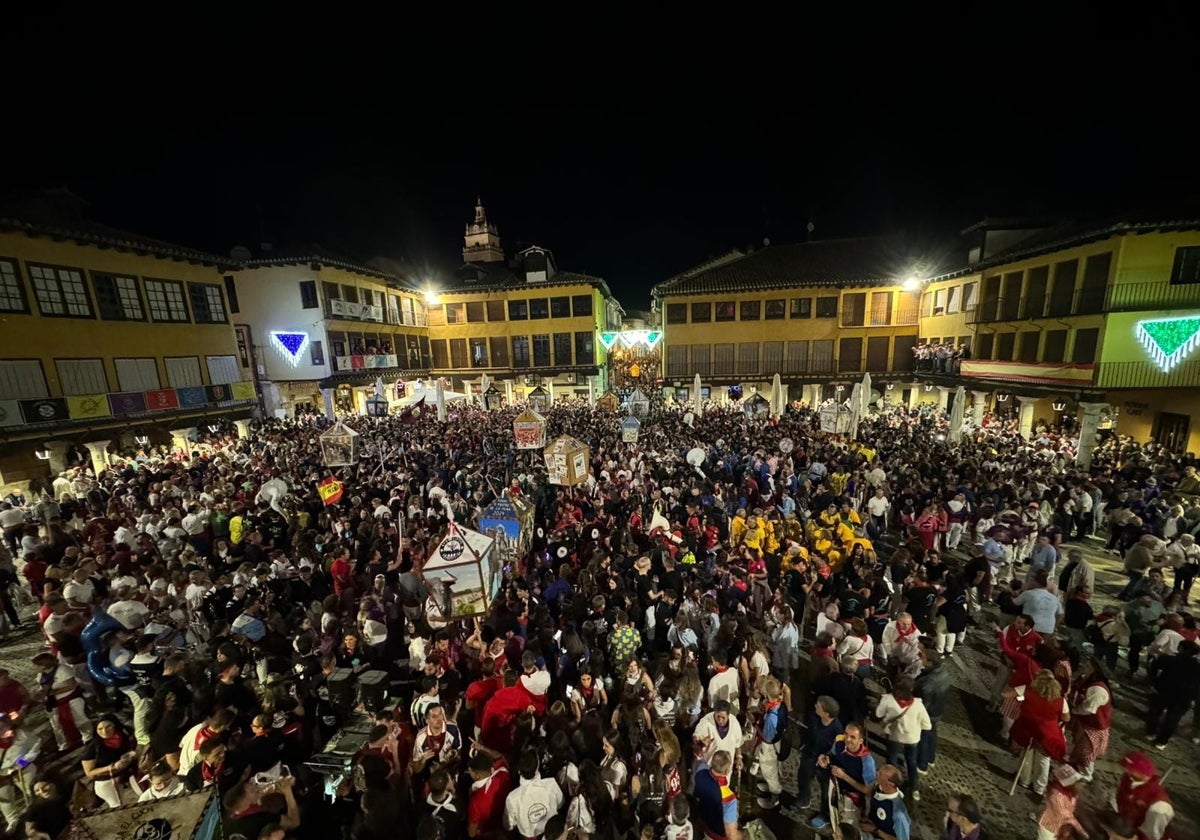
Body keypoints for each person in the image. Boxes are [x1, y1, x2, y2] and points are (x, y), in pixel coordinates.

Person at [874, 678, 931, 801]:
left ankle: (892, 787)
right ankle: (914, 788)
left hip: (895, 738)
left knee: (892, 761)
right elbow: (928, 725)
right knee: (911, 762)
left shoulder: (888, 700)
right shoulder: (918, 704)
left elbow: (878, 714)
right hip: (912, 739)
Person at [1114, 751, 1174, 840]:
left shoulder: (1159, 805)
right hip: (1127, 825)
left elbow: (1153, 834)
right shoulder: (1127, 780)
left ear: (1143, 775)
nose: (1125, 771)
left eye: (1130, 770)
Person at [692, 749, 738, 840]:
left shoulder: (700, 770)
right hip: (717, 835)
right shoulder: (730, 798)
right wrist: (744, 834)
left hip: (703, 823)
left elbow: (698, 763)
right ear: (727, 771)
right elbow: (731, 836)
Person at [860, 763, 911, 840]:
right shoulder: (879, 788)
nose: (876, 773)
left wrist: (876, 830)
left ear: (890, 784)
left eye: (880, 773)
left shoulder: (898, 814)